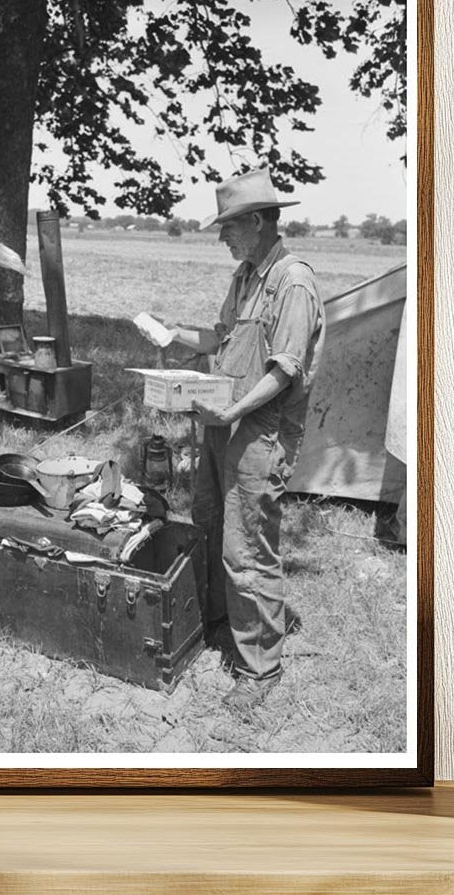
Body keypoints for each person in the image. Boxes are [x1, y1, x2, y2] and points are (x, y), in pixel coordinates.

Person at [169, 167, 326, 710]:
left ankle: (260, 668)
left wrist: (231, 411)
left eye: (229, 226)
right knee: (209, 527)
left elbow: (283, 371)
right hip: (224, 423)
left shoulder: (294, 281)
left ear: (257, 221)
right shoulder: (244, 275)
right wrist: (174, 336)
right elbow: (223, 337)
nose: (221, 237)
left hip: (259, 433)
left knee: (247, 549)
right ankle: (219, 626)